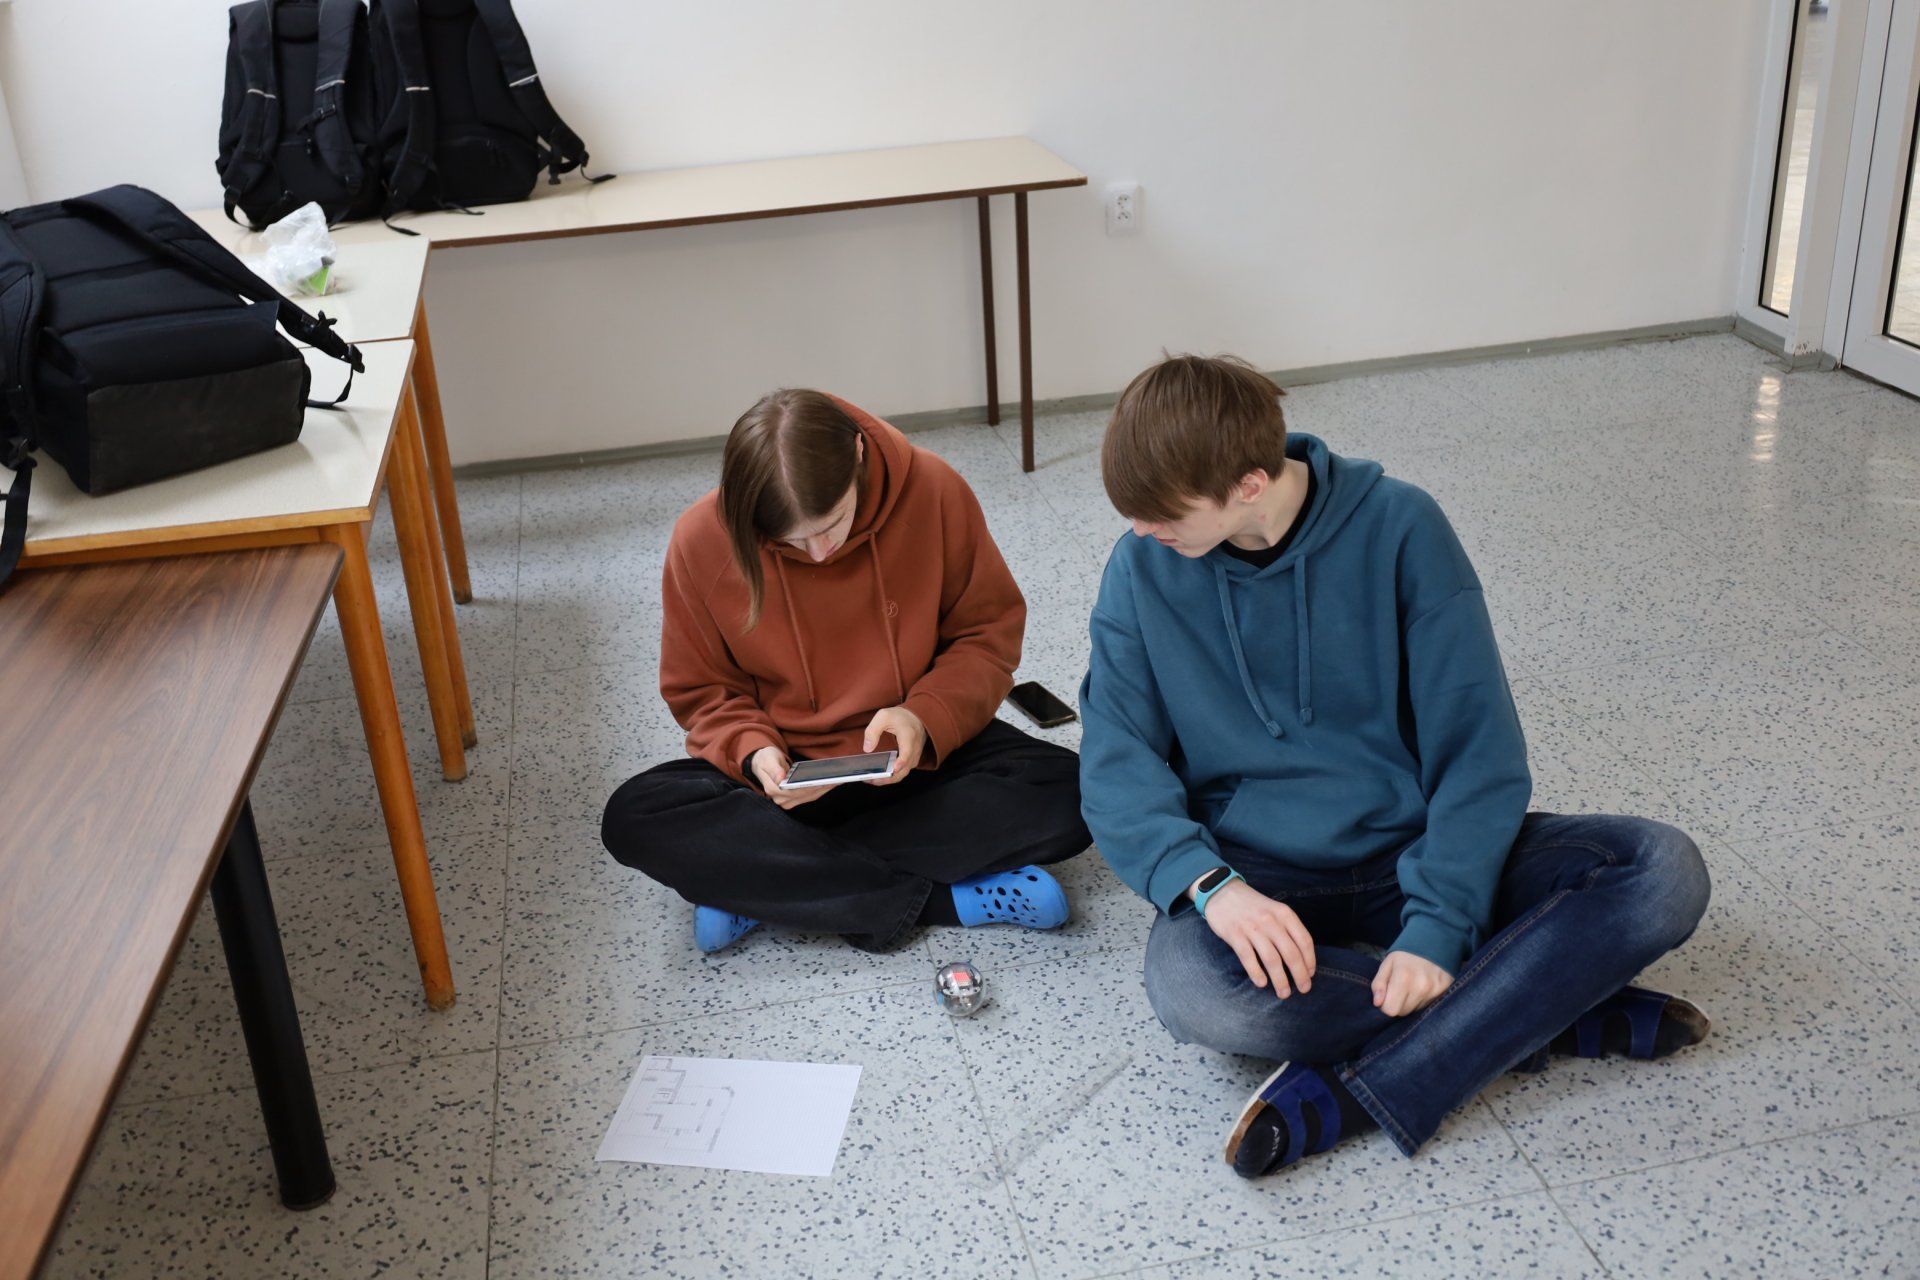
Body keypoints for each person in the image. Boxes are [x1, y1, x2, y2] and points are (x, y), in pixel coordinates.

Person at [1078, 354, 1712, 1177]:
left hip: (1415, 845)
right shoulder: (1140, 568)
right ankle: (1542, 1007)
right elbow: (1116, 757)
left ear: (1247, 485)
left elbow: (1478, 751)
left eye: (1163, 512)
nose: (1139, 530)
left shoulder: (1403, 528)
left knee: (1660, 870)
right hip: (1257, 870)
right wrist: (1211, 887)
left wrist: (1440, 927)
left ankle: (1367, 1085)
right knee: (1194, 993)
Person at [602, 388, 1090, 954]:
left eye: (831, 525)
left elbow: (986, 634)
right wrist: (754, 751)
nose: (818, 554)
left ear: (858, 452)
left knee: (1075, 793)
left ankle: (764, 884)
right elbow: (703, 689)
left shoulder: (935, 490)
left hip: (914, 761)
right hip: (785, 780)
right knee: (634, 815)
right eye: (790, 542)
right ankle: (942, 901)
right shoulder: (701, 538)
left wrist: (923, 717)